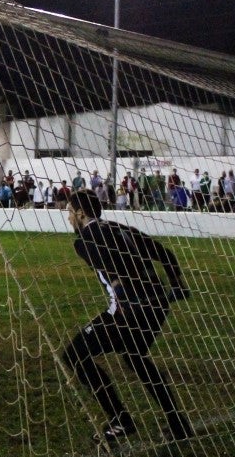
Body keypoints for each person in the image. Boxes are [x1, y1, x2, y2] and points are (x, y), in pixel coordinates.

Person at [61, 189, 194, 443]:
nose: (68, 218)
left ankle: (120, 419)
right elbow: (165, 254)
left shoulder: (84, 240)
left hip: (130, 309)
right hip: (158, 305)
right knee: (135, 357)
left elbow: (109, 263)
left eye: (69, 212)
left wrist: (122, 295)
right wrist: (176, 284)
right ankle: (178, 423)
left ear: (80, 213)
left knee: (75, 354)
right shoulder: (122, 228)